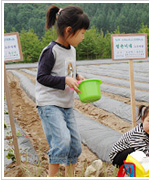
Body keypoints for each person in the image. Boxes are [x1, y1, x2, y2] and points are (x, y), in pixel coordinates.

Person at [35, 5, 89, 177]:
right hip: (50, 104)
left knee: (74, 145)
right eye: (82, 32)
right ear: (68, 30)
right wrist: (65, 80)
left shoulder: (72, 50)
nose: (83, 37)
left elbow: (68, 72)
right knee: (62, 142)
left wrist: (77, 76)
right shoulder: (50, 51)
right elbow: (41, 77)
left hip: (66, 104)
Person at [109, 103, 149, 168]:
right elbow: (143, 153)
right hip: (119, 156)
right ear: (143, 119)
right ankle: (130, 168)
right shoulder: (137, 133)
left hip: (139, 149)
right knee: (144, 153)